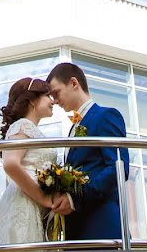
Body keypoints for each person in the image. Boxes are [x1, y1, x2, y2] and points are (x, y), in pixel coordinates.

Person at [46, 62, 129, 241]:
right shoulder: (72, 128)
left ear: (74, 83)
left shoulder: (106, 116)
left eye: (56, 92)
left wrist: (74, 199)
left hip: (102, 227)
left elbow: (118, 168)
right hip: (78, 232)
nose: (54, 100)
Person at [0, 77, 58, 246]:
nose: (52, 101)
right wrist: (43, 199)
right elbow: (11, 164)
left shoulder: (30, 129)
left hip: (29, 206)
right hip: (24, 207)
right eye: (47, 95)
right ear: (32, 100)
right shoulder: (23, 125)